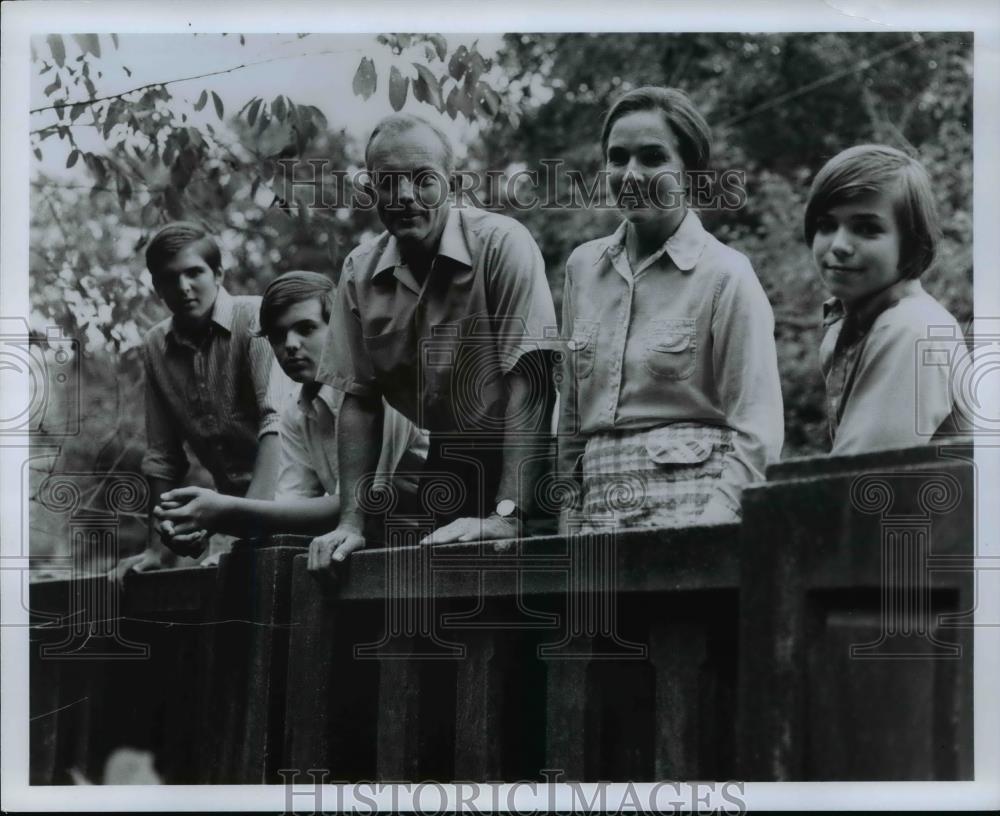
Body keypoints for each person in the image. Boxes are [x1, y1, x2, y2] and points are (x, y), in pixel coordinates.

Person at [309, 113, 557, 572]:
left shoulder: (502, 244)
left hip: (530, 454)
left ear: (453, 183)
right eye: (387, 182)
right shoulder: (358, 272)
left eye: (423, 179)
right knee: (444, 598)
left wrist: (507, 515)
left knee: (532, 599)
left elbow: (532, 378)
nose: (404, 196)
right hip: (448, 456)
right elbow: (359, 399)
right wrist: (350, 523)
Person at [557, 86, 784, 530]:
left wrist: (709, 531)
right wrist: (568, 517)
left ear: (691, 172)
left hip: (692, 512)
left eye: (653, 157)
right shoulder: (582, 268)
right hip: (597, 518)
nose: (631, 173)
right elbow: (570, 419)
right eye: (618, 157)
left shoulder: (726, 276)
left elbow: (760, 433)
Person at [151, 271, 426, 545]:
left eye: (306, 329)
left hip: (442, 544)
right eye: (278, 336)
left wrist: (223, 513)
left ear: (338, 328)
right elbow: (290, 510)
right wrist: (201, 523)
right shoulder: (296, 408)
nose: (291, 345)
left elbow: (354, 507)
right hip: (385, 551)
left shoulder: (380, 391)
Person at [109, 222, 287, 584]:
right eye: (170, 278)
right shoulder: (156, 345)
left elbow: (277, 423)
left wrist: (243, 528)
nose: (184, 288)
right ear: (157, 287)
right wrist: (157, 551)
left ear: (218, 273)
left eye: (194, 273)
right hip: (228, 517)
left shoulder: (254, 317)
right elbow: (163, 457)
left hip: (299, 497)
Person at [805, 144, 966, 455]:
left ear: (912, 243)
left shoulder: (910, 329)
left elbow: (856, 480)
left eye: (867, 229)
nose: (838, 245)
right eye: (826, 225)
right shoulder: (855, 324)